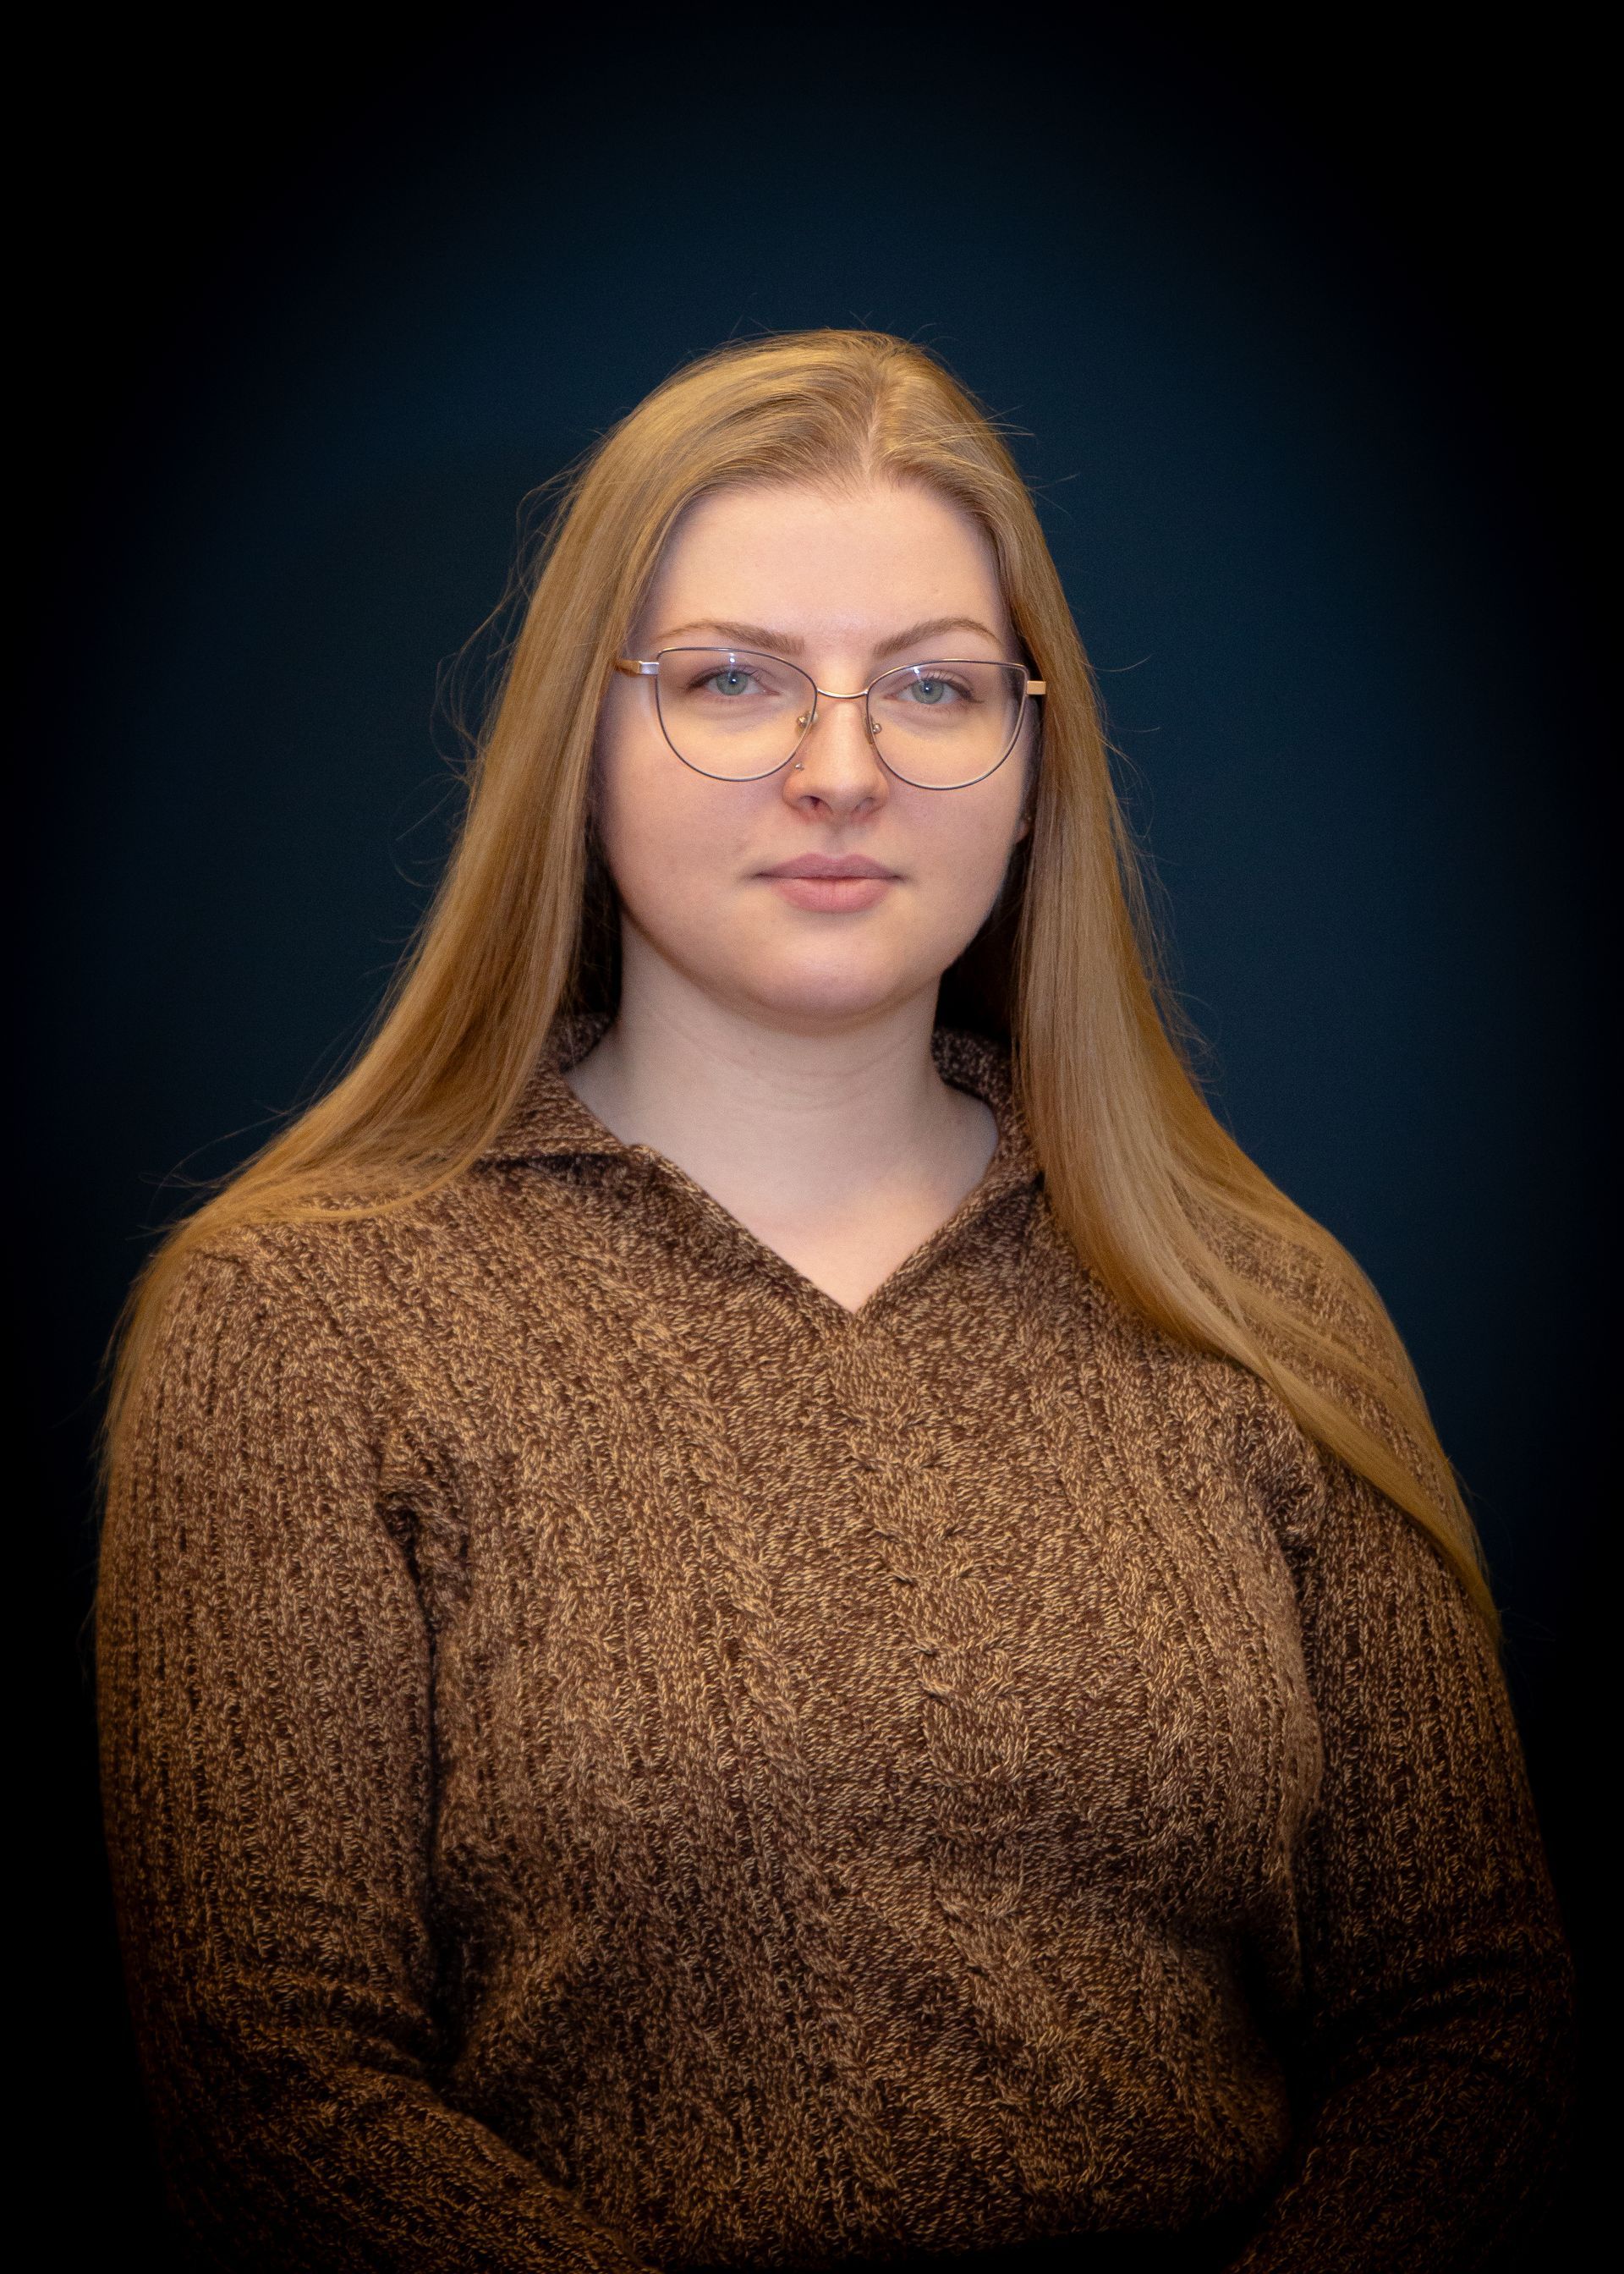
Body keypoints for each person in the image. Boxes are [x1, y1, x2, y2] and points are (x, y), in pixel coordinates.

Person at [95, 329, 1573, 2274]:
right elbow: (277, 2089)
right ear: (580, 742)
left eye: (937, 688)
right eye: (731, 681)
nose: (843, 771)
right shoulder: (301, 1327)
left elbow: (1469, 2007)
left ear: (1035, 762)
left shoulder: (1257, 1303)